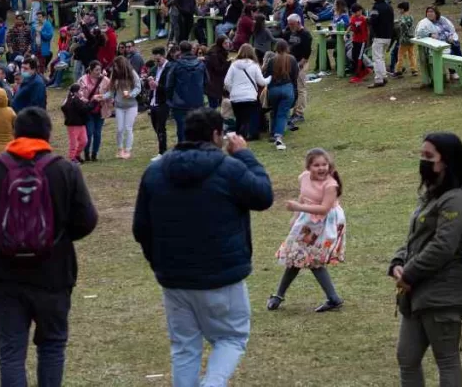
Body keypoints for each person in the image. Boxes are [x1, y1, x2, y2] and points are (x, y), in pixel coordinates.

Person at [0, 107, 98, 387]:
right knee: (52, 346)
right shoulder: (64, 170)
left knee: (11, 351)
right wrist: (57, 239)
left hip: (4, 273)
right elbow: (87, 220)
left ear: (15, 132)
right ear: (48, 133)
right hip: (54, 273)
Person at [133, 108, 273, 387]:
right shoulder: (229, 168)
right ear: (216, 135)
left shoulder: (156, 171)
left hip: (175, 278)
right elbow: (263, 195)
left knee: (184, 346)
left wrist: (159, 262)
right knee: (231, 338)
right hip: (221, 276)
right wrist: (244, 154)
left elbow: (141, 228)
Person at [391, 133, 462, 387]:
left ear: (447, 161)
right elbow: (416, 237)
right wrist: (397, 261)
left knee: (446, 360)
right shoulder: (432, 195)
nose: (423, 161)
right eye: (421, 155)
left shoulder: (457, 198)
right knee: (407, 357)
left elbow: (443, 246)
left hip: (442, 293)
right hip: (416, 291)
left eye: (429, 156)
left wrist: (408, 273)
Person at [268, 148, 346, 313]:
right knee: (296, 257)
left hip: (326, 224)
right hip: (308, 221)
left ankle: (333, 298)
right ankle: (279, 295)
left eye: (324, 164)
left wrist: (298, 207)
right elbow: (303, 196)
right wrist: (296, 216)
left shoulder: (331, 185)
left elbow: (324, 209)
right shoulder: (304, 177)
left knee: (311, 259)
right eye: (316, 165)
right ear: (309, 167)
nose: (321, 168)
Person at [224, 43, 269, 141]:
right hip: (250, 96)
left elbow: (226, 82)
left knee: (240, 117)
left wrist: (232, 90)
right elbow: (261, 82)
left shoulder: (233, 65)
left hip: (235, 97)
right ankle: (252, 134)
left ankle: (240, 134)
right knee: (253, 115)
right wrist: (270, 78)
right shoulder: (254, 65)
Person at [166, 41, 206, 142]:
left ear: (180, 50)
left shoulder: (176, 65)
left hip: (180, 103)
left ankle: (184, 153)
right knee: (197, 130)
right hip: (197, 101)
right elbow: (207, 81)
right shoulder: (200, 64)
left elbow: (169, 85)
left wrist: (170, 100)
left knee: (182, 130)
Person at [77, 60, 112, 162]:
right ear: (90, 70)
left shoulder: (105, 80)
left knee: (97, 133)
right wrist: (90, 100)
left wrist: (103, 97)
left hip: (100, 110)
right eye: (96, 70)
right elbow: (79, 95)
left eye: (100, 70)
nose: (99, 72)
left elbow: (111, 92)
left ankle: (94, 154)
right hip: (88, 110)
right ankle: (86, 153)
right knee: (89, 132)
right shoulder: (83, 80)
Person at [109, 56, 141, 159]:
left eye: (116, 65)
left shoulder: (132, 73)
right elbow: (111, 91)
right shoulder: (114, 75)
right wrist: (102, 97)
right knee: (119, 129)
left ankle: (128, 150)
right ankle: (120, 149)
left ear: (122, 65)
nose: (115, 68)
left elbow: (138, 87)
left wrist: (131, 94)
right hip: (119, 106)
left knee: (128, 128)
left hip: (131, 105)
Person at [368, 0, 395, 88]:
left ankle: (379, 79)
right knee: (382, 57)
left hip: (379, 36)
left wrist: (368, 20)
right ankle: (384, 76)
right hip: (388, 36)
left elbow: (373, 21)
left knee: (377, 58)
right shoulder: (389, 7)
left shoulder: (375, 8)